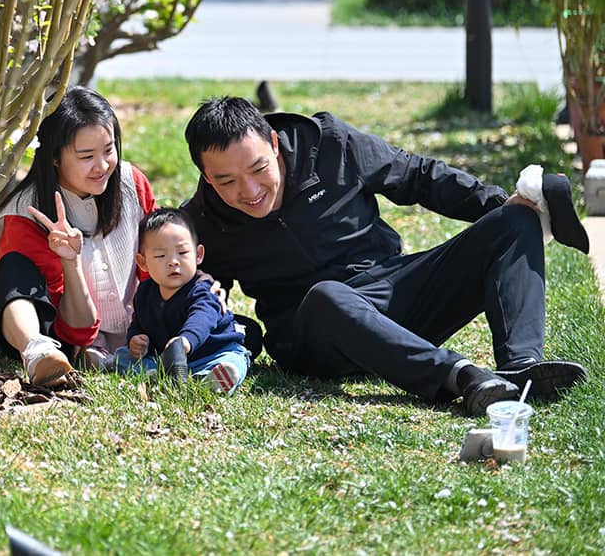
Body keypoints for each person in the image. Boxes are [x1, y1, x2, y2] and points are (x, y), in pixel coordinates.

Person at [181, 96, 590, 416]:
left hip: (393, 295)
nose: (250, 191)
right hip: (314, 335)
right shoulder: (202, 222)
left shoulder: (330, 144)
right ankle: (461, 376)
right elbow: (198, 297)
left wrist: (500, 205)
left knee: (515, 219)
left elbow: (418, 176)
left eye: (258, 169)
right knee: (327, 295)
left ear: (273, 143)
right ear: (206, 175)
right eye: (227, 181)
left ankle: (521, 366)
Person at [0, 87, 157, 386]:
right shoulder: (25, 214)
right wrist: (69, 262)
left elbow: (154, 257)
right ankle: (36, 353)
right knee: (12, 269)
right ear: (55, 158)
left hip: (135, 330)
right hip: (56, 333)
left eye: (108, 150)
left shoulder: (131, 183)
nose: (102, 166)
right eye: (87, 156)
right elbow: (76, 330)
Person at [112, 208, 251, 393]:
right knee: (123, 355)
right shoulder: (144, 293)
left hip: (212, 352)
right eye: (161, 256)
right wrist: (136, 339)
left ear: (198, 254)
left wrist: (186, 340)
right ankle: (152, 373)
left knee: (235, 359)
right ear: (143, 262)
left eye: (182, 252)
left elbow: (202, 319)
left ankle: (213, 380)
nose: (173, 262)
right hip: (167, 359)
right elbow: (139, 322)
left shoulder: (203, 290)